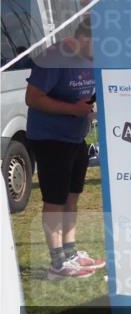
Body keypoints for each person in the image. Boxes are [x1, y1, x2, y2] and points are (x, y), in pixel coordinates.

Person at [25, 19, 104, 279]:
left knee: (72, 196)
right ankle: (57, 263)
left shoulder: (93, 58)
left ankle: (70, 252)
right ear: (83, 38)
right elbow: (33, 98)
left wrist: (88, 107)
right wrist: (73, 109)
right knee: (55, 200)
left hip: (75, 137)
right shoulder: (55, 57)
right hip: (49, 138)